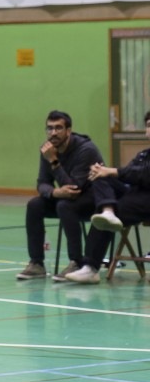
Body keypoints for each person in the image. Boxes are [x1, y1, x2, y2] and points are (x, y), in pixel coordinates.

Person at [16, 110, 104, 281]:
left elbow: (74, 188)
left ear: (68, 131)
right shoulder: (47, 149)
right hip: (64, 197)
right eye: (49, 128)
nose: (53, 133)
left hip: (93, 199)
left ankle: (77, 262)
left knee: (65, 206)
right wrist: (54, 192)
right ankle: (37, 263)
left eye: (58, 128)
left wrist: (54, 161)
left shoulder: (86, 149)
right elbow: (42, 183)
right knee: (34, 205)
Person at [64, 111, 150, 284]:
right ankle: (108, 211)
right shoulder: (144, 154)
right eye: (148, 125)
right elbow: (130, 174)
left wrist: (113, 171)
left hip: (146, 200)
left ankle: (91, 267)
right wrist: (105, 172)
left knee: (111, 207)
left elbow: (144, 175)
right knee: (99, 176)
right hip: (134, 194)